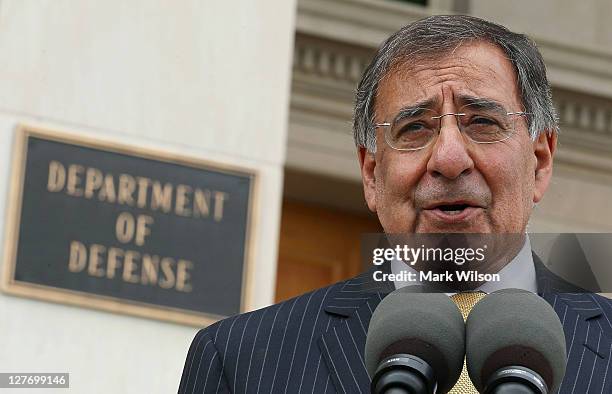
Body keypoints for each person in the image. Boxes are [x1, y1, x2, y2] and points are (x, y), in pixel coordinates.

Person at [178, 15, 612, 393]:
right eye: (414, 128)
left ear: (539, 162)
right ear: (371, 173)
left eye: (482, 122)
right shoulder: (242, 360)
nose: (448, 159)